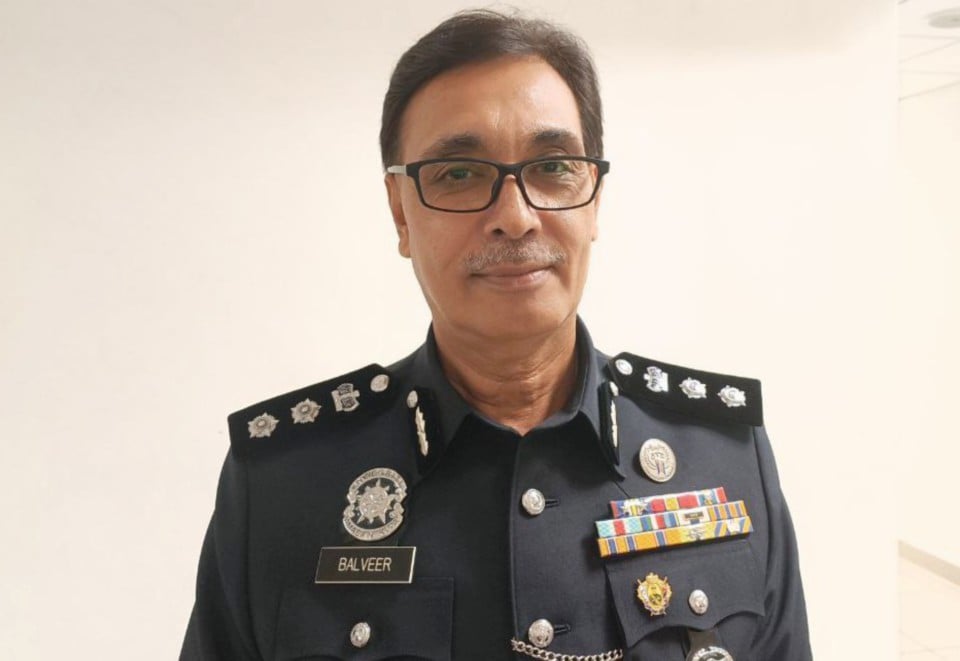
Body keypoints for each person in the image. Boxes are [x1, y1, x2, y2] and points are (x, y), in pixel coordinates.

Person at [180, 9, 812, 661]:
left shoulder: (723, 456)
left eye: (553, 166)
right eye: (459, 174)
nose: (515, 217)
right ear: (400, 212)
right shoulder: (283, 482)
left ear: (594, 197)